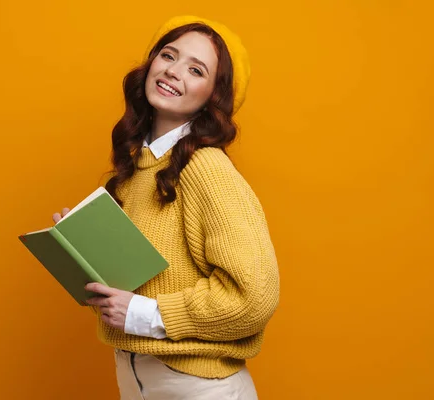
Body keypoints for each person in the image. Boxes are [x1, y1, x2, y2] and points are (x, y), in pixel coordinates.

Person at [53, 15, 280, 400]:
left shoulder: (206, 168)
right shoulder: (135, 168)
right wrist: (83, 256)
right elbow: (132, 294)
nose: (174, 72)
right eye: (168, 55)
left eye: (195, 69)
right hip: (136, 378)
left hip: (198, 388)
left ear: (214, 95)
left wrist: (145, 314)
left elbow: (254, 298)